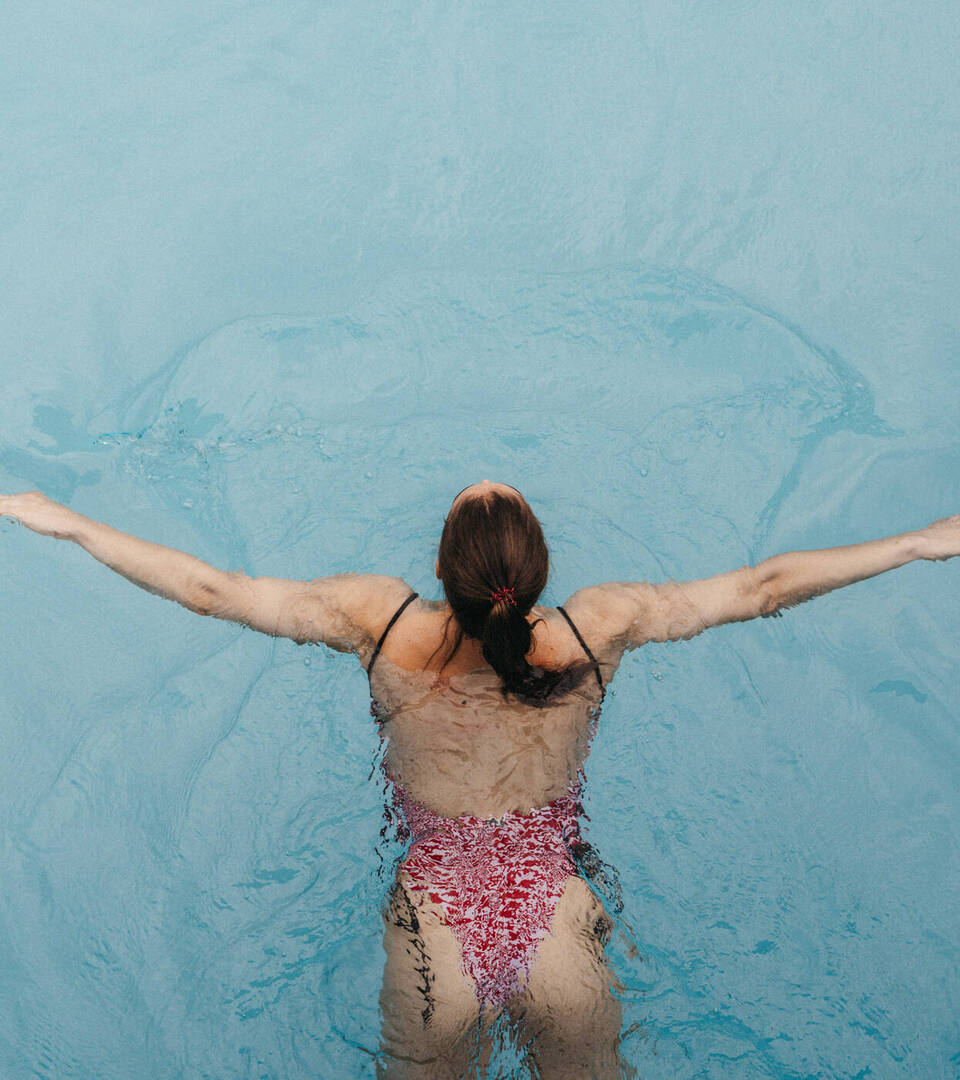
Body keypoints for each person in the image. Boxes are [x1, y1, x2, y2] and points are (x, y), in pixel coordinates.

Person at [1, 482, 957, 1079]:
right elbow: (761, 588)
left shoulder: (376, 621)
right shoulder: (595, 628)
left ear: (438, 572)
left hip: (436, 928)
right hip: (556, 916)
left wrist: (71, 525)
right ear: (536, 581)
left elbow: (214, 590)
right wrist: (913, 544)